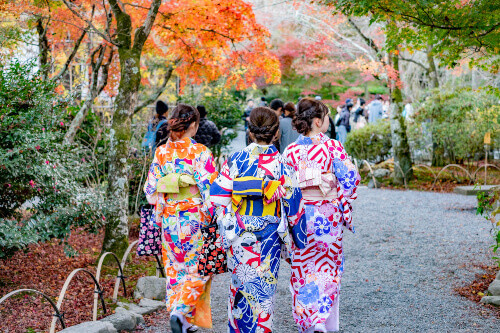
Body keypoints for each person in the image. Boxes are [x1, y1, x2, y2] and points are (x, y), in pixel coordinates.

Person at [210, 107, 305, 333]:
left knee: (240, 288)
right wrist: (297, 240)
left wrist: (229, 218)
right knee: (264, 293)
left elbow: (217, 197)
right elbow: (294, 206)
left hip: (240, 233)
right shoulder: (283, 164)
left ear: (250, 132)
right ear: (276, 134)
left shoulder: (235, 160)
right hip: (269, 236)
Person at [283, 97, 360, 333]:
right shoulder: (333, 147)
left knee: (304, 270)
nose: (328, 120)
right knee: (328, 268)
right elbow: (350, 180)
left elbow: (285, 189)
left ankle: (309, 321)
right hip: (327, 218)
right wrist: (340, 200)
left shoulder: (290, 152)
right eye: (326, 116)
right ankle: (322, 320)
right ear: (318, 121)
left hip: (301, 219)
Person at [143, 104, 218, 333]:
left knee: (175, 269)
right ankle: (181, 310)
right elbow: (211, 192)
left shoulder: (161, 152)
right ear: (193, 125)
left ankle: (183, 322)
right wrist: (212, 218)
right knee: (201, 268)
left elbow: (150, 190)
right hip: (193, 217)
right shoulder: (201, 152)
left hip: (169, 219)